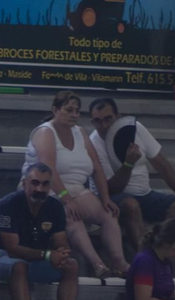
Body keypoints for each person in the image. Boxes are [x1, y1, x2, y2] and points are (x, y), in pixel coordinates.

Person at [24, 91, 126, 279]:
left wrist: (105, 198)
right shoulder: (46, 132)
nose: (74, 115)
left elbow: (96, 169)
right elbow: (48, 171)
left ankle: (120, 262)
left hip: (78, 189)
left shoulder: (79, 132)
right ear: (55, 110)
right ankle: (98, 265)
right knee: (71, 215)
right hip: (45, 189)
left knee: (109, 213)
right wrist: (67, 199)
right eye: (69, 110)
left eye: (77, 111)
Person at [88, 97, 175, 253]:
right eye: (98, 121)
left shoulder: (135, 128)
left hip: (145, 195)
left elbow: (161, 163)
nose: (105, 126)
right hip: (111, 199)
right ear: (93, 123)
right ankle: (147, 262)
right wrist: (128, 164)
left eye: (108, 119)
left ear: (118, 117)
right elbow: (111, 189)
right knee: (131, 205)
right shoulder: (93, 143)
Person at [0, 163, 79, 300]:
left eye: (45, 184)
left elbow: (60, 241)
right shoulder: (9, 204)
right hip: (1, 257)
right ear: (24, 183)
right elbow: (12, 249)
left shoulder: (55, 206)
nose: (40, 188)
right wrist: (49, 255)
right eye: (35, 183)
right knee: (19, 265)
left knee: (71, 265)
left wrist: (62, 253)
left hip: (37, 259)